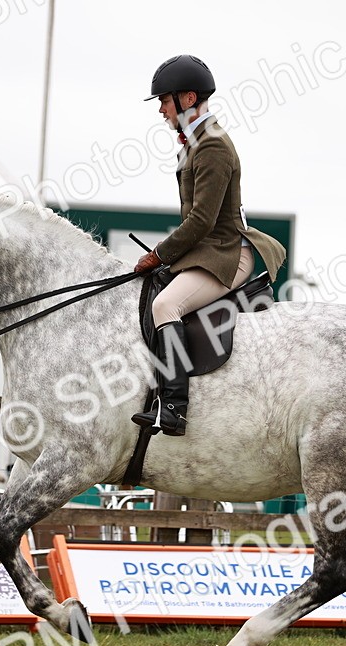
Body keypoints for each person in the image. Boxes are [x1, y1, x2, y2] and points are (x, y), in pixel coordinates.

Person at [131, 54, 286, 436]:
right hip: (208, 251)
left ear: (187, 98)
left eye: (164, 102)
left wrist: (159, 254)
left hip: (228, 254)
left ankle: (174, 409)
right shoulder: (196, 142)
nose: (162, 111)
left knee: (166, 304)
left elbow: (201, 221)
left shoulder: (213, 145)